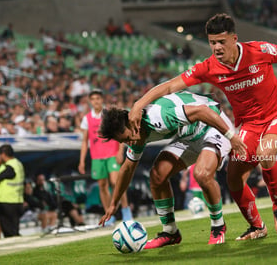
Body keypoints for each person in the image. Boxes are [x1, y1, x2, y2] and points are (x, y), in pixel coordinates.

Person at [128, 13, 277, 240]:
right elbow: (169, 87)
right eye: (212, 42)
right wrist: (139, 104)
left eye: (221, 42)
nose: (217, 47)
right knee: (233, 178)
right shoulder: (209, 67)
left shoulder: (259, 51)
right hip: (249, 125)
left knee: (265, 152)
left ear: (234, 39)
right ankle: (257, 227)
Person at [99, 91, 246, 247]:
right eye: (124, 142)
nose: (129, 143)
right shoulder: (136, 134)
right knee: (157, 175)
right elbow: (127, 169)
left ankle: (218, 226)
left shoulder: (158, 116)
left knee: (202, 174)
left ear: (130, 123)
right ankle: (170, 232)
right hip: (189, 135)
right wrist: (114, 203)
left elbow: (202, 111)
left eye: (127, 138)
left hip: (213, 126)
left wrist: (231, 136)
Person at [79, 89, 132, 224]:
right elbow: (85, 141)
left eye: (98, 98)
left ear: (102, 100)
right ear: (90, 102)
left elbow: (120, 132)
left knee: (116, 182)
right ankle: (109, 215)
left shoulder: (108, 115)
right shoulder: (87, 119)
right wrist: (82, 161)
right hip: (97, 156)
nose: (96, 101)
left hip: (112, 154)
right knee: (102, 185)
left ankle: (126, 210)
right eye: (93, 99)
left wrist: (120, 151)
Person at [0, 144, 25, 237]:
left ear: (3, 154)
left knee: (9, 231)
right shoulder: (18, 163)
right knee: (14, 229)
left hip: (6, 200)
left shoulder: (8, 167)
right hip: (16, 199)